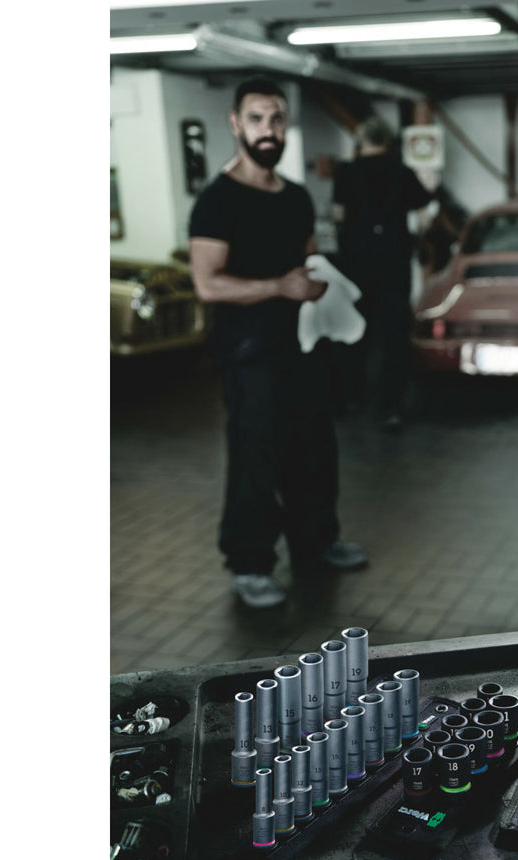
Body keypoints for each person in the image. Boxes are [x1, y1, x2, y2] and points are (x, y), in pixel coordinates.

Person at [188, 77, 367, 609]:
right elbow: (207, 283)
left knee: (314, 448)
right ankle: (249, 563)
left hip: (302, 346)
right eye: (257, 118)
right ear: (236, 124)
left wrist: (320, 281)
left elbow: (307, 257)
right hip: (249, 355)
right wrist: (278, 287)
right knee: (256, 458)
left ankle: (317, 542)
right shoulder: (217, 201)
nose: (269, 129)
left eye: (277, 118)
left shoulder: (295, 197)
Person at [332, 116, 436, 429]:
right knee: (394, 335)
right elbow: (425, 211)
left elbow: (337, 214)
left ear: (360, 139)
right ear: (388, 141)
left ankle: (351, 397)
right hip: (393, 260)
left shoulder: (346, 172)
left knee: (354, 330)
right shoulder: (401, 172)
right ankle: (390, 406)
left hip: (357, 261)